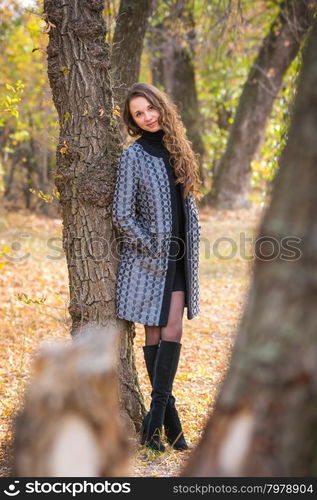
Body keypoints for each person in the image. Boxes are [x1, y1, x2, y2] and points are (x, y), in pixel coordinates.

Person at [112, 82, 201, 452]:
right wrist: (149, 247)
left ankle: (154, 423)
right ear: (132, 121)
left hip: (180, 258)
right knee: (155, 335)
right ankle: (169, 429)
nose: (148, 117)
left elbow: (187, 203)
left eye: (151, 108)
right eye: (139, 114)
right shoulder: (133, 156)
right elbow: (122, 214)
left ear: (161, 107)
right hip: (149, 263)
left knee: (172, 331)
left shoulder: (177, 148)